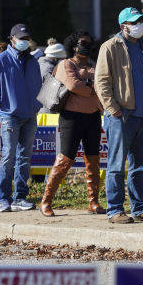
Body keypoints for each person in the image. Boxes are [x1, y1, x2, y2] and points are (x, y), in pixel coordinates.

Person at [95, 7, 143, 224]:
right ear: (123, 26)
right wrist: (112, 108)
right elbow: (101, 81)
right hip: (120, 115)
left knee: (140, 166)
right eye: (134, 22)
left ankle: (140, 208)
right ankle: (115, 210)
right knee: (116, 165)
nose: (138, 25)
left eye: (140, 21)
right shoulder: (110, 47)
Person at [41, 31, 104, 216]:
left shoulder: (94, 65)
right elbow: (73, 85)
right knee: (65, 159)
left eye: (89, 43)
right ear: (73, 45)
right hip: (71, 118)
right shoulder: (65, 64)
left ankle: (93, 202)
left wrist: (87, 85)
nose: (86, 46)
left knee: (93, 160)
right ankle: (45, 202)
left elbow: (99, 85)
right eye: (82, 43)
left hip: (93, 117)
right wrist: (92, 87)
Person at [0, 24, 42, 212]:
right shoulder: (0, 61)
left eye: (26, 38)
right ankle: (4, 198)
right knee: (8, 156)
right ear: (12, 39)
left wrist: (37, 104)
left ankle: (20, 197)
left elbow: (38, 85)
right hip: (10, 115)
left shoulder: (32, 62)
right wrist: (2, 103)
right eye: (21, 38)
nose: (24, 41)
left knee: (24, 157)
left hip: (30, 115)